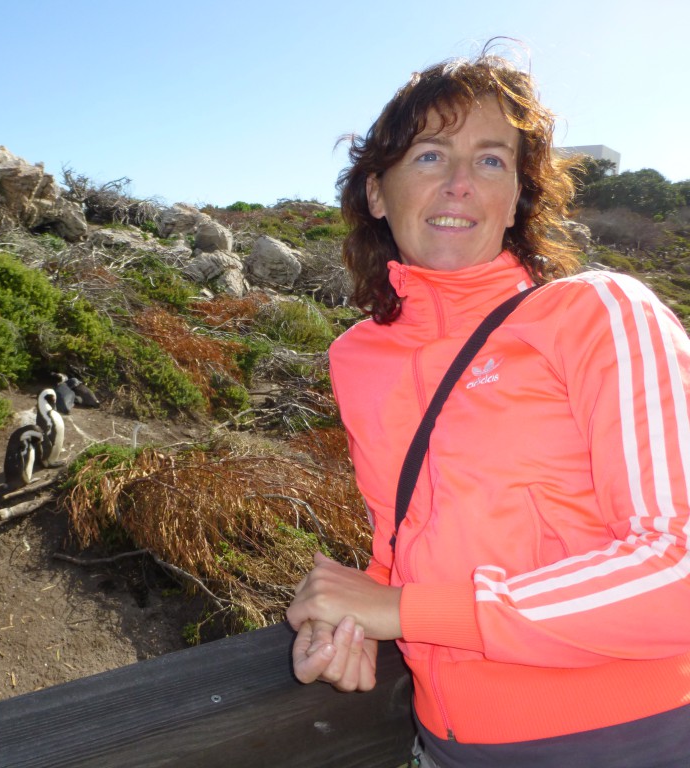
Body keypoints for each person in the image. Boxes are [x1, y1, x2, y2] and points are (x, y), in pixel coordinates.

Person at [285, 44, 690, 767]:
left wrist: (404, 612)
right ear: (378, 193)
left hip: (637, 736)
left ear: (516, 201)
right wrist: (348, 624)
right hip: (445, 744)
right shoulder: (357, 360)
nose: (462, 184)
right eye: (431, 156)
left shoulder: (598, 312)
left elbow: (679, 565)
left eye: (493, 161)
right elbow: (402, 550)